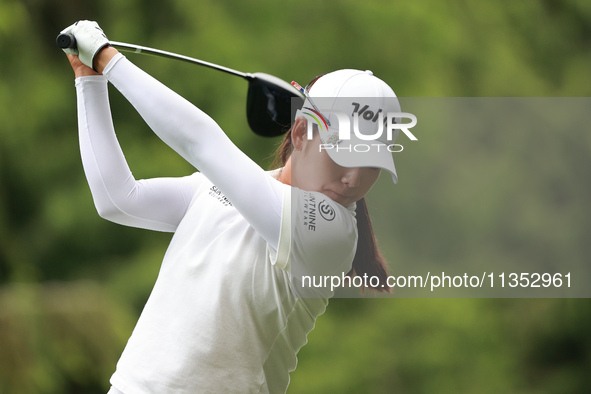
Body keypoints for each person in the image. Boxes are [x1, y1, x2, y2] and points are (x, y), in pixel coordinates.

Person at [61, 20, 401, 394]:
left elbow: (201, 142)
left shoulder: (332, 231)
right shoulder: (219, 188)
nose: (354, 179)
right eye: (344, 154)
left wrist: (110, 60)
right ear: (303, 132)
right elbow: (118, 200)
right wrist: (88, 79)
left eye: (372, 165)